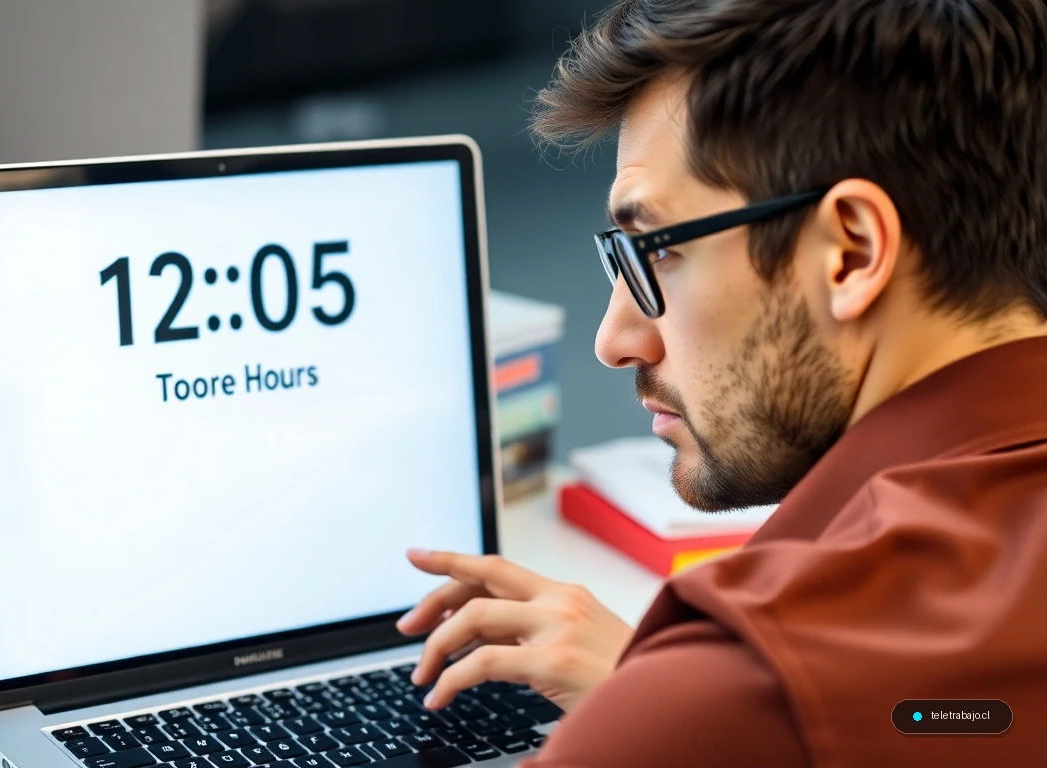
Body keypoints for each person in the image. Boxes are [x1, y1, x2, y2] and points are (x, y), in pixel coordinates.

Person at [397, 0, 1047, 764]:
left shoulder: (735, 694)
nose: (614, 340)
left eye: (655, 252)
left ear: (850, 252)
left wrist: (672, 708)